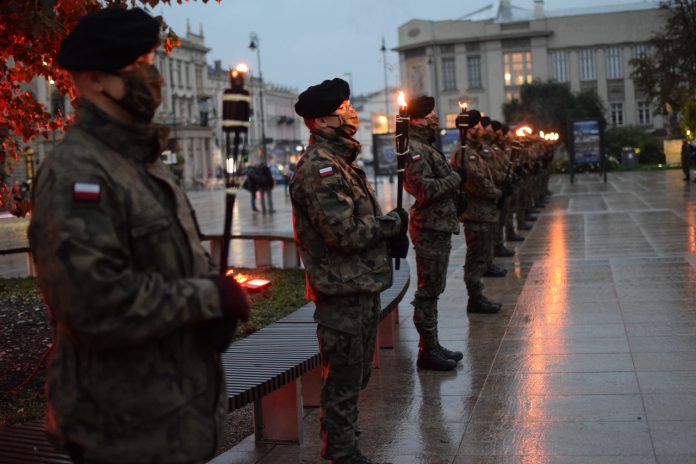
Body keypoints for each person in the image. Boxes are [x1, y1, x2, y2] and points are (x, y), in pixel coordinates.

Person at [27, 8, 250, 463]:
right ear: (94, 79)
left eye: (151, 62)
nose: (153, 76)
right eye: (137, 64)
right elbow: (93, 303)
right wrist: (206, 298)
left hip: (169, 413)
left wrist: (210, 304)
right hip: (122, 426)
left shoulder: (140, 161)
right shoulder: (78, 170)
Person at [290, 77, 407, 464]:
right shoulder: (320, 169)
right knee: (342, 377)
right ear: (321, 121)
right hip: (340, 292)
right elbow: (343, 233)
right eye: (343, 109)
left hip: (359, 285)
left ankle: (344, 439)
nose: (352, 113)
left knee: (355, 375)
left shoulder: (341, 162)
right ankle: (340, 452)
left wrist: (389, 236)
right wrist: (392, 225)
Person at [402, 95, 462, 371]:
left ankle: (432, 343)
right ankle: (426, 350)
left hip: (438, 225)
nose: (434, 120)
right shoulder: (413, 149)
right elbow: (424, 190)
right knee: (427, 290)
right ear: (415, 120)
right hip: (429, 227)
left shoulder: (425, 147)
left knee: (435, 288)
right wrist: (456, 178)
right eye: (429, 116)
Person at [451, 109, 503, 314]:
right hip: (475, 211)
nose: (482, 129)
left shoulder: (472, 149)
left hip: (483, 210)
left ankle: (478, 295)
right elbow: (476, 181)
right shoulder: (464, 152)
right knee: (476, 257)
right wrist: (497, 193)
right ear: (470, 129)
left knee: (482, 253)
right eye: (478, 126)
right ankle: (475, 298)